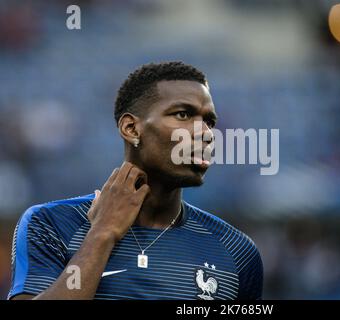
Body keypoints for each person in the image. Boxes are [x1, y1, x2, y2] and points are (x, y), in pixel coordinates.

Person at [8, 61, 263, 300]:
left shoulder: (236, 251)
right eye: (183, 115)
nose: (206, 134)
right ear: (131, 128)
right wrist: (102, 233)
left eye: (209, 121)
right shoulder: (51, 223)